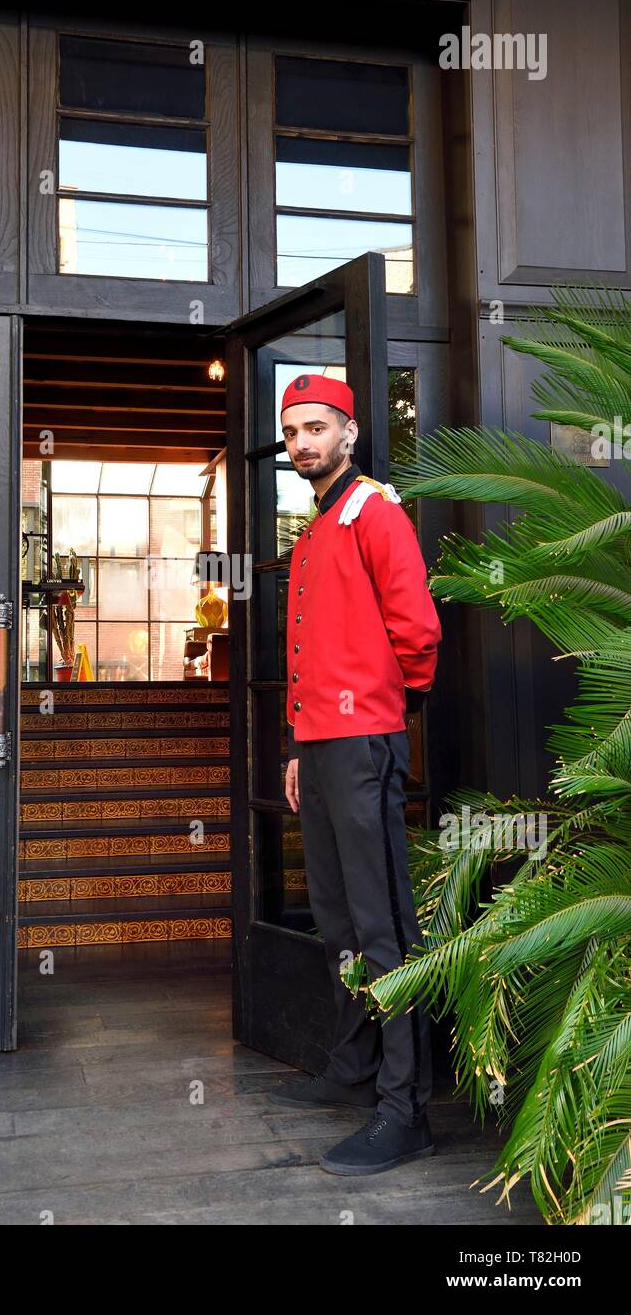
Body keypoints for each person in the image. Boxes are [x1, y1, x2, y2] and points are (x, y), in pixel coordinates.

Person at [268, 372, 442, 1176]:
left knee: (383, 929)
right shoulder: (313, 530)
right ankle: (354, 1066)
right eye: (292, 431)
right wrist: (302, 746)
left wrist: (376, 721)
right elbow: (308, 650)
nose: (301, 442)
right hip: (322, 744)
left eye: (315, 428)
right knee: (336, 920)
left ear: (348, 434)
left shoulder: (375, 511)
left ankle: (405, 1110)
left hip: (364, 739)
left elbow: (417, 631)